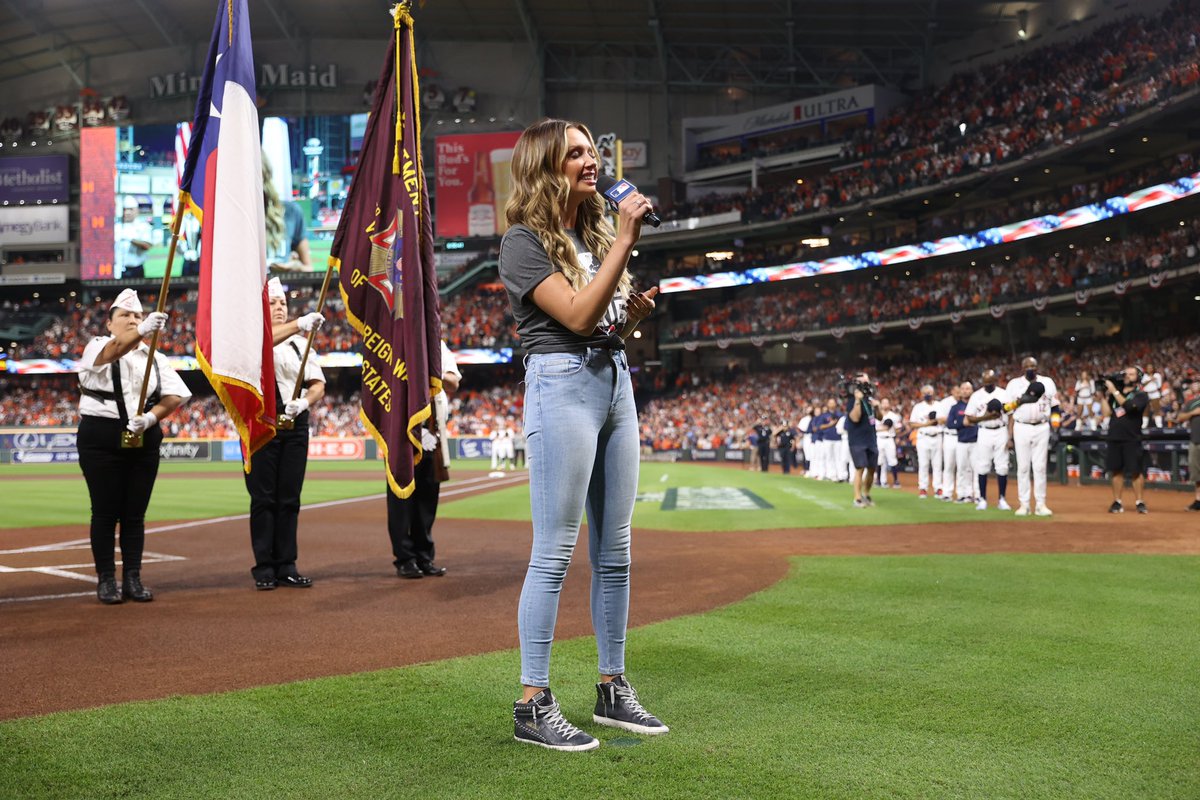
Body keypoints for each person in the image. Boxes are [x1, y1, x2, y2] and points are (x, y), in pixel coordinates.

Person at [499, 118, 666, 751]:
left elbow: (601, 321)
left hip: (612, 378)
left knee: (616, 546)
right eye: (574, 153)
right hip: (562, 382)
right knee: (555, 549)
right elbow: (573, 314)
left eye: (593, 149)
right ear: (546, 167)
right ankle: (532, 701)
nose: (590, 161)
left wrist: (632, 318)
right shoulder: (522, 242)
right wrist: (626, 237)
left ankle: (611, 687)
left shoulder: (588, 232)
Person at [76, 289, 191, 604]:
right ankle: (105, 580)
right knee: (104, 512)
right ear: (110, 324)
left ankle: (133, 578)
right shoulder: (97, 345)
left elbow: (174, 397)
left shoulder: (156, 358)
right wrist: (141, 331)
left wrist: (151, 419)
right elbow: (112, 353)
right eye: (124, 316)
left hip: (143, 438)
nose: (131, 320)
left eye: (137, 316)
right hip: (100, 436)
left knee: (134, 514)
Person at [244, 278, 326, 590]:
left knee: (289, 497)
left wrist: (304, 401)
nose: (280, 309)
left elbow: (317, 384)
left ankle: (287, 564)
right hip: (262, 422)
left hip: (295, 424)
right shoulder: (253, 337)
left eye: (283, 304)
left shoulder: (301, 345)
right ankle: (264, 566)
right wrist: (299, 323)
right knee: (263, 498)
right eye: (273, 304)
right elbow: (263, 345)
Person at [387, 340, 462, 579]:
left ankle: (424, 556)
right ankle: (405, 558)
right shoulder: (391, 338)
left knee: (427, 500)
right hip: (401, 432)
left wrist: (426, 368)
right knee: (402, 498)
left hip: (432, 430)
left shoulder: (437, 345)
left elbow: (453, 382)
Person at [1005, 357, 1060, 517]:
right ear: (1022, 368)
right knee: (1023, 467)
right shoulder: (1014, 384)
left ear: (1038, 367)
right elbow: (1008, 409)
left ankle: (1041, 504)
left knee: (1040, 467)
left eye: (1033, 366)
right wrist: (1009, 435)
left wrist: (1055, 428)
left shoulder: (1048, 382)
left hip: (1042, 426)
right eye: (1027, 366)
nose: (1031, 368)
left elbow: (1055, 407)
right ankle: (1024, 504)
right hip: (1021, 426)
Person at [1101, 367, 1150, 514]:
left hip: (1132, 437)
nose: (1127, 376)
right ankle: (1117, 501)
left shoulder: (1141, 394)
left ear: (1138, 377)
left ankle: (1139, 502)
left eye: (1131, 374)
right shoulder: (1117, 394)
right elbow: (1107, 412)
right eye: (1126, 374)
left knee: (1136, 471)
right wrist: (1103, 396)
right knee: (1116, 471)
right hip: (1115, 436)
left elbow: (1129, 407)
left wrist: (1114, 391)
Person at [966, 369, 1013, 511]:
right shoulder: (976, 396)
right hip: (984, 431)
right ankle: (982, 499)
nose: (988, 385)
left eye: (990, 382)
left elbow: (1011, 415)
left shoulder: (1004, 394)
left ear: (995, 381)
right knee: (982, 466)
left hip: (1001, 430)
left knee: (1002, 466)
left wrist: (1010, 437)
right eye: (986, 382)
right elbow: (970, 418)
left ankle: (1002, 499)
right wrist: (986, 416)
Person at [263, 156, 312, 272]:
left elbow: (308, 267)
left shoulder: (291, 211)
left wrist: (295, 267)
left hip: (281, 287)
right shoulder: (237, 218)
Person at [845, 373, 880, 507]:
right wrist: (858, 401)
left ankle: (866, 494)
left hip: (871, 439)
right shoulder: (852, 400)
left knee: (871, 469)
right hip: (857, 440)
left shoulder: (870, 399)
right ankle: (857, 498)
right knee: (859, 468)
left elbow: (880, 417)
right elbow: (855, 418)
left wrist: (877, 407)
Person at [945, 381, 977, 504]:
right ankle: (962, 494)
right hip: (961, 440)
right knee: (962, 468)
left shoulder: (976, 405)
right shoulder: (955, 407)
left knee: (975, 469)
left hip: (975, 440)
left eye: (968, 389)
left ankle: (977, 495)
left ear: (972, 391)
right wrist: (962, 424)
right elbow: (949, 424)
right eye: (963, 389)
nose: (965, 391)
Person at [909, 384, 943, 498]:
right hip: (923, 436)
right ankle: (923, 488)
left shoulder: (939, 405)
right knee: (923, 464)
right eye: (925, 393)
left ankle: (938, 488)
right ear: (922, 394)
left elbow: (945, 419)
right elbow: (912, 423)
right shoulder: (918, 407)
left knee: (937, 464)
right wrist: (926, 423)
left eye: (929, 392)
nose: (928, 394)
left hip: (937, 436)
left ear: (933, 393)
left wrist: (937, 420)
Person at [1176, 375, 1200, 511]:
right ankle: (1198, 500)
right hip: (1195, 440)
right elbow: (1180, 417)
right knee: (1196, 474)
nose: (1195, 385)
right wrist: (1193, 413)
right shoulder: (1191, 402)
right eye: (1194, 383)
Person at [114, 196, 152, 280]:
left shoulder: (143, 226)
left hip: (135, 269)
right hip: (118, 269)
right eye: (124, 209)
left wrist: (130, 239)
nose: (127, 212)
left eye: (130, 209)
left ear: (136, 211)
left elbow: (147, 246)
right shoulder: (116, 226)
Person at [875, 398, 902, 488]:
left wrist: (892, 430)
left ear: (889, 405)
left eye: (887, 403)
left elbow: (898, 428)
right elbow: (872, 427)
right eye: (883, 403)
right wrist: (883, 428)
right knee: (879, 460)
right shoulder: (876, 414)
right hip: (879, 438)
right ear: (881, 404)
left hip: (889, 438)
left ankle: (896, 481)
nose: (885, 405)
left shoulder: (894, 416)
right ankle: (879, 481)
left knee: (892, 460)